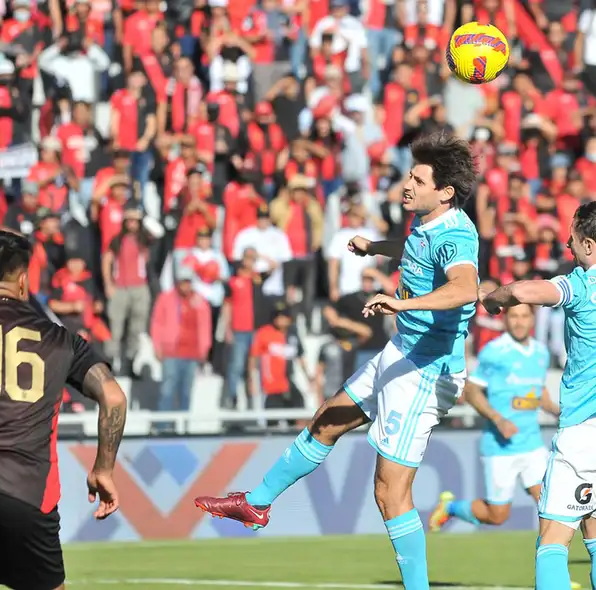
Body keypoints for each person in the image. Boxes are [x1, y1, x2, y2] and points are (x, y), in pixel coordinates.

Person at [194, 131, 479, 590]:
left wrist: (401, 304)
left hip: (428, 369)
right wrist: (377, 248)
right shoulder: (426, 221)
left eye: (417, 179)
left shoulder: (457, 234)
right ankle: (257, 503)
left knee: (390, 492)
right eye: (408, 175)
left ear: (444, 191)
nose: (405, 185)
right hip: (403, 351)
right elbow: (416, 250)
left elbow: (466, 288)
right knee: (327, 419)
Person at [481, 201, 596, 590]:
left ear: (587, 244)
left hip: (586, 431)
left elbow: (522, 289)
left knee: (551, 541)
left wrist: (494, 300)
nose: (566, 244)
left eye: (571, 238)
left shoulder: (579, 284)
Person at [0, 230, 128, 590]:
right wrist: (103, 469)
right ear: (23, 282)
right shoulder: (61, 339)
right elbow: (113, 397)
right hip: (29, 491)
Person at [428, 303, 557, 530]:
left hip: (532, 445)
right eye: (514, 316)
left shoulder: (540, 353)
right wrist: (499, 420)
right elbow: (471, 391)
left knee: (549, 504)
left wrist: (559, 411)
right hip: (500, 447)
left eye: (524, 316)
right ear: (505, 320)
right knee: (497, 516)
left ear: (532, 319)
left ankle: (549, 559)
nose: (519, 321)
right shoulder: (494, 352)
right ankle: (450, 508)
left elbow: (540, 392)